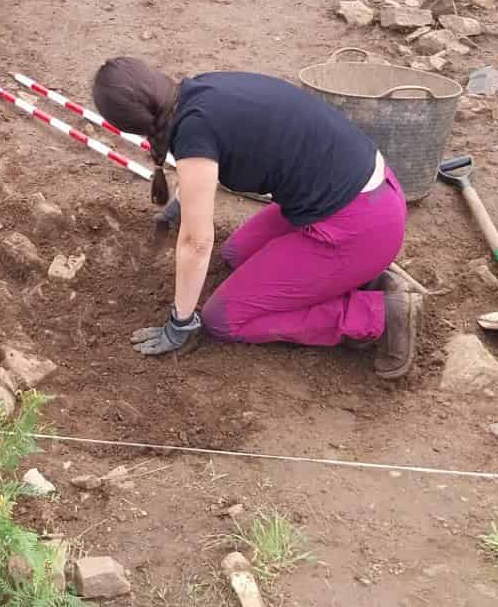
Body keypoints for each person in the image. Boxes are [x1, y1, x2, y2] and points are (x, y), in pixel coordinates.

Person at [91, 57, 421, 377]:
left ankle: (376, 315)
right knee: (235, 255)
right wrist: (182, 204)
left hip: (359, 224)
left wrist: (181, 322)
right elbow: (215, 154)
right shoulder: (199, 90)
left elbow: (196, 242)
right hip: (359, 194)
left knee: (223, 319)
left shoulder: (194, 133)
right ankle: (362, 276)